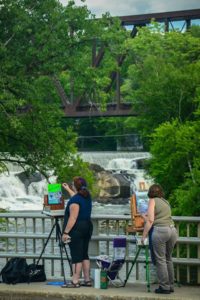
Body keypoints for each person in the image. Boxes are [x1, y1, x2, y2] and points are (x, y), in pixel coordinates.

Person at [141, 184, 178, 294]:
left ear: (150, 193)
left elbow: (151, 220)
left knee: (160, 260)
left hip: (161, 231)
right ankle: (171, 285)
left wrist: (143, 236)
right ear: (161, 192)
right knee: (168, 258)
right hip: (172, 230)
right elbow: (159, 216)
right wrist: (146, 217)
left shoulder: (152, 201)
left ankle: (164, 287)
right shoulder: (165, 201)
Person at [61, 176, 93, 288]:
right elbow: (76, 197)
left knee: (76, 255)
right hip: (87, 226)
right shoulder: (86, 196)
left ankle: (75, 281)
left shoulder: (75, 200)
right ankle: (87, 280)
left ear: (75, 186)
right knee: (84, 254)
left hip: (77, 229)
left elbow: (73, 218)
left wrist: (65, 233)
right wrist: (68, 189)